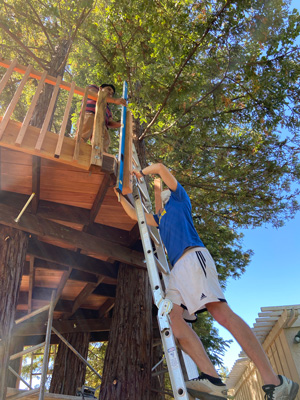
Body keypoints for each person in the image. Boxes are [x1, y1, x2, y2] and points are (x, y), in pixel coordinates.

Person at [116, 162, 299, 400]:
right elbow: (134, 214)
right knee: (172, 319)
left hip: (193, 258)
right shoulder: (160, 217)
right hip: (177, 273)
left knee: (221, 314)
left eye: (163, 191)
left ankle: (274, 382)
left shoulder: (181, 200)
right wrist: (120, 196)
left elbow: (160, 168)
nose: (161, 193)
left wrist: (142, 173)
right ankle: (212, 378)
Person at [80, 84, 126, 152]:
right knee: (85, 130)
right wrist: (114, 100)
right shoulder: (94, 88)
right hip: (90, 114)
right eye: (109, 89)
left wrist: (121, 124)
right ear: (101, 88)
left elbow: (109, 123)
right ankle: (77, 146)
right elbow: (94, 94)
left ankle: (100, 155)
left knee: (105, 140)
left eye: (112, 93)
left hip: (102, 124)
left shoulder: (107, 108)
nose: (110, 93)